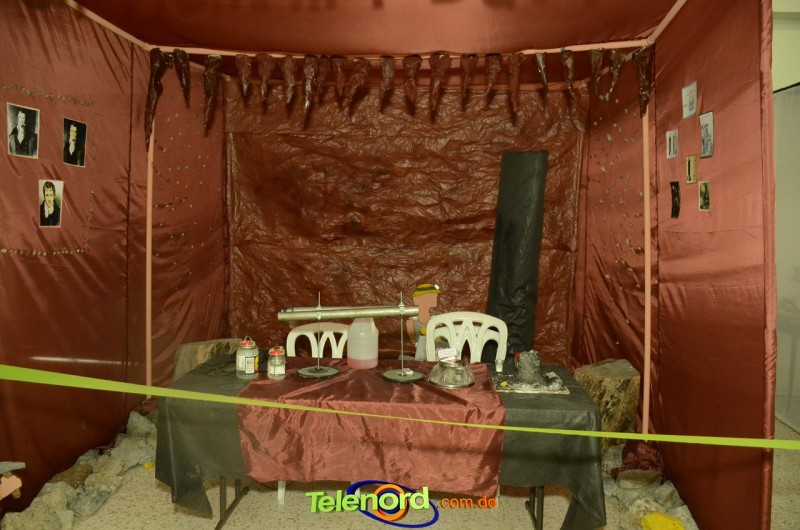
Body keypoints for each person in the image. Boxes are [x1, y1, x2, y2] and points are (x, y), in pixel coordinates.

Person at [405, 283, 441, 361]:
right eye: (432, 296)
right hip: (418, 352)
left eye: (436, 297)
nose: (436, 299)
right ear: (419, 299)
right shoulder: (411, 322)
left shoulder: (436, 320)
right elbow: (413, 341)